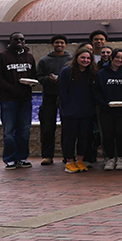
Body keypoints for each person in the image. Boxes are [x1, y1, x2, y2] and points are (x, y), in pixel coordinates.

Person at [0, 32, 37, 169]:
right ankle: (9, 159)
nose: (19, 41)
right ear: (10, 41)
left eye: (22, 39)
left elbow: (33, 74)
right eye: (16, 39)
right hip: (8, 100)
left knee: (24, 130)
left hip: (25, 99)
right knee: (9, 131)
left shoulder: (29, 57)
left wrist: (32, 83)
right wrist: (12, 89)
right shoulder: (1, 57)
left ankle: (22, 158)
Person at [58, 47, 98, 173]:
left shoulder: (92, 72)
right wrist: (65, 109)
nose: (85, 60)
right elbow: (62, 92)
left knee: (84, 137)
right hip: (70, 112)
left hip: (86, 111)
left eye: (88, 58)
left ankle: (80, 160)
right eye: (83, 58)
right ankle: (69, 161)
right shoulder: (67, 71)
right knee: (69, 137)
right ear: (77, 58)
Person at [36, 34, 72, 166]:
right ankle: (47, 156)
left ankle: (66, 155)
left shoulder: (70, 59)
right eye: (57, 42)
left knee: (67, 128)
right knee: (47, 127)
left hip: (66, 98)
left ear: (65, 45)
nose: (59, 45)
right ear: (53, 44)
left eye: (62, 43)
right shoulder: (44, 60)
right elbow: (39, 77)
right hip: (49, 97)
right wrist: (48, 79)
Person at [96, 49, 122, 170]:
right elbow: (97, 91)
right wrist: (104, 103)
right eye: (117, 57)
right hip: (106, 109)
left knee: (121, 134)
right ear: (112, 58)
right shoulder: (101, 73)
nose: (119, 60)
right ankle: (110, 158)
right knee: (107, 134)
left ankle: (121, 157)